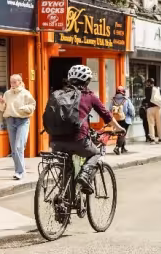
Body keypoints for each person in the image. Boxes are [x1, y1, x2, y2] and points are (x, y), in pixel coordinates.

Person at [50, 65, 125, 193]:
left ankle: (63, 200)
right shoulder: (89, 96)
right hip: (78, 139)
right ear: (87, 81)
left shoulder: (58, 94)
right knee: (96, 153)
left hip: (55, 141)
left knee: (67, 169)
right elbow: (106, 115)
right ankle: (84, 176)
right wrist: (119, 128)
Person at [2, 73, 36, 180]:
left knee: (18, 147)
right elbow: (2, 108)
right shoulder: (7, 93)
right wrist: (1, 103)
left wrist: (24, 108)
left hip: (22, 121)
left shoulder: (26, 93)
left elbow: (32, 105)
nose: (12, 84)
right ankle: (19, 171)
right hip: (10, 120)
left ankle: (19, 172)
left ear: (20, 82)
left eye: (14, 81)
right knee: (13, 149)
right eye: (11, 81)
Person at [109, 86, 135, 155]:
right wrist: (132, 116)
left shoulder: (113, 100)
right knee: (122, 133)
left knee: (120, 133)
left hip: (116, 119)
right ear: (123, 92)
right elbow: (131, 110)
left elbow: (110, 109)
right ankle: (118, 147)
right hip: (126, 119)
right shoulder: (126, 100)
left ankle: (123, 148)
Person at [144, 78, 161, 144]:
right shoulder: (157, 89)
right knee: (159, 123)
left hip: (149, 108)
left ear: (148, 82)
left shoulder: (146, 89)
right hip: (158, 107)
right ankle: (160, 138)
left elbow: (147, 98)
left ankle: (152, 139)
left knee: (151, 124)